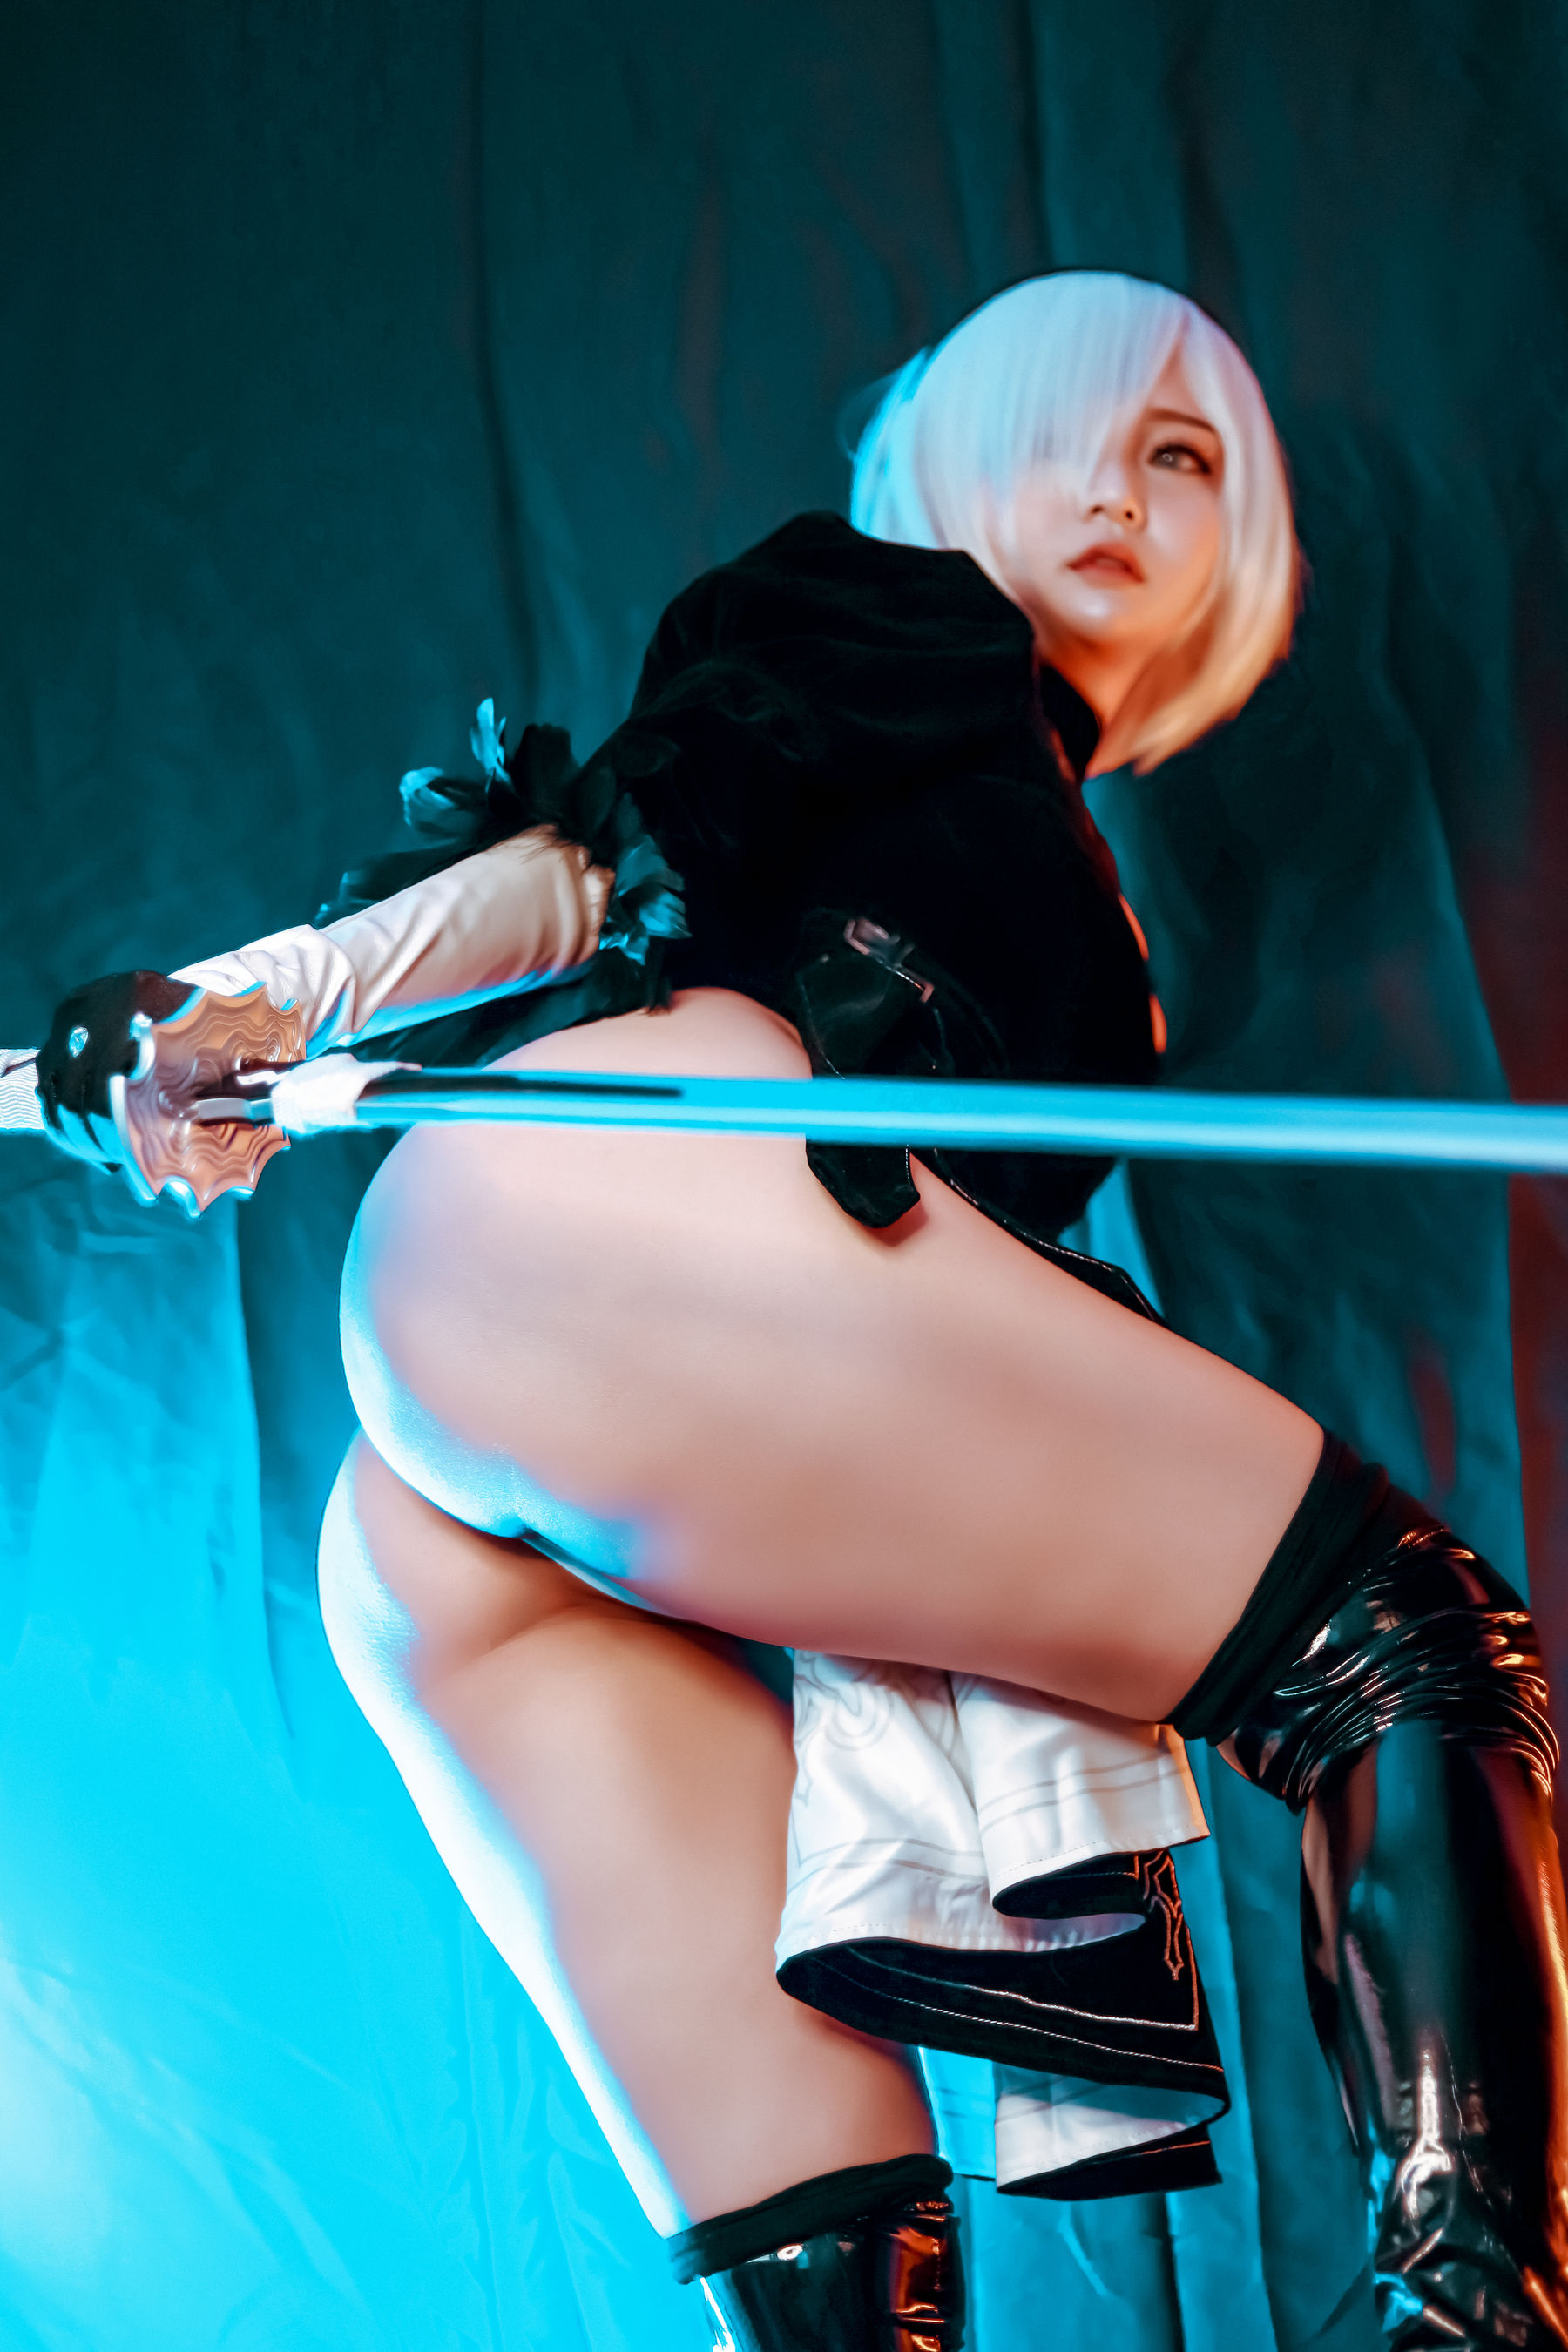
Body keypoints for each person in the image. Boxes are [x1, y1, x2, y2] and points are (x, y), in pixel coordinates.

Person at [33, 274, 1568, 2352]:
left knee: (818, 2201)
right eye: (1061, 429)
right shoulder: (894, 621)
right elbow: (592, 861)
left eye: (1179, 458)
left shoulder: (1038, 812)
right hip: (626, 1235)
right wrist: (256, 1000)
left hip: (465, 1460)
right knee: (1397, 1638)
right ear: (943, 451)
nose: (1119, 495)